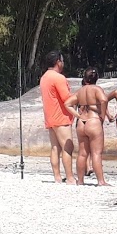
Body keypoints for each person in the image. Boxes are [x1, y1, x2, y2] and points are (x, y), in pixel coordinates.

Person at [68, 68, 111, 186]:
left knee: (82, 153)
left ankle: (80, 180)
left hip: (82, 122)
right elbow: (104, 99)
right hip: (93, 121)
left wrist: (77, 115)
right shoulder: (96, 89)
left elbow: (67, 104)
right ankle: (101, 181)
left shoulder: (80, 91)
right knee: (96, 153)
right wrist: (102, 115)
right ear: (96, 78)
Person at [40, 51, 75, 184]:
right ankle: (70, 177)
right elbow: (66, 98)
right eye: (62, 61)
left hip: (50, 117)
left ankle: (57, 177)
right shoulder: (58, 78)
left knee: (55, 148)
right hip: (61, 117)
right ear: (58, 62)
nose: (63, 63)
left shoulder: (44, 77)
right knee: (67, 147)